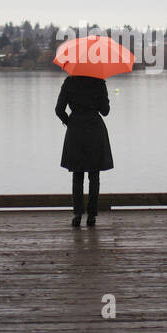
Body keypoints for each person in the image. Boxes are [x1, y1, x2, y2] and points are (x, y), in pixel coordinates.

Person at [55, 74, 113, 228]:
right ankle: (92, 216)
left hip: (76, 130)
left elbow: (59, 109)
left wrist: (69, 122)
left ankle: (77, 215)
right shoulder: (99, 82)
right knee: (94, 176)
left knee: (77, 174)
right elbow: (105, 111)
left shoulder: (69, 82)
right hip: (95, 130)